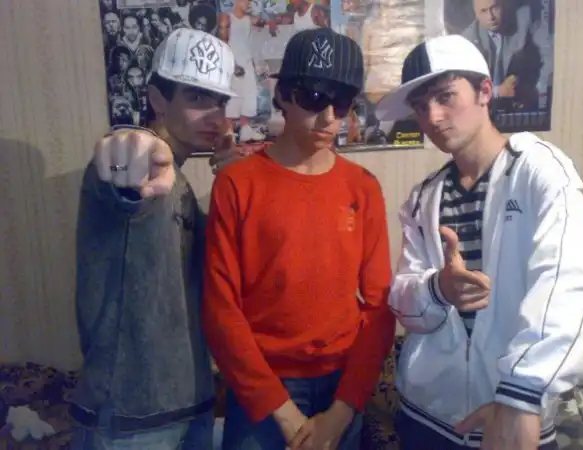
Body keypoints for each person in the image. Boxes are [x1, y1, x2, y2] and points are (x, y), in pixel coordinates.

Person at [376, 34, 583, 450]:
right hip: (425, 415)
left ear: (484, 91)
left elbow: (570, 285)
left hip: (513, 412)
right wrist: (438, 288)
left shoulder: (538, 171)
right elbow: (404, 302)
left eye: (445, 97)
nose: (433, 117)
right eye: (421, 106)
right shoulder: (423, 197)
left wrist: (521, 394)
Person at [202, 28, 395, 450]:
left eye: (341, 103)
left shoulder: (362, 187)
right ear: (284, 95)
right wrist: (281, 411)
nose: (328, 117)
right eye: (314, 97)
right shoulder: (238, 184)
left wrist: (344, 408)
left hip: (342, 384)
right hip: (262, 389)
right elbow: (220, 308)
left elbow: (379, 306)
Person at [69, 28, 242, 450]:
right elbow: (125, 161)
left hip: (191, 406)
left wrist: (230, 179)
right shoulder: (138, 173)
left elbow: (217, 269)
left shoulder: (180, 185)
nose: (215, 117)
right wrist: (130, 145)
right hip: (129, 422)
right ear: (158, 99)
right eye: (197, 98)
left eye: (220, 102)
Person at [218, 0, 270, 142]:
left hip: (246, 61)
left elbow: (263, 22)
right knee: (232, 97)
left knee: (249, 95)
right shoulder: (226, 17)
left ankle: (245, 129)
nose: (249, 3)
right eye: (246, 1)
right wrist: (232, 64)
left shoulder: (248, 19)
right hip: (232, 62)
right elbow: (223, 42)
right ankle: (228, 132)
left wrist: (269, 22)